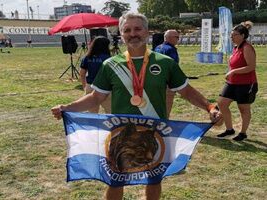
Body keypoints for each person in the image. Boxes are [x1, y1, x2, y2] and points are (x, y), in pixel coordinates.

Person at [51, 12, 222, 200]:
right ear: (122, 35)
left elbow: (187, 91)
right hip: (121, 133)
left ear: (147, 32)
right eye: (127, 30)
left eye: (137, 29)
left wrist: (209, 107)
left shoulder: (165, 63)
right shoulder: (111, 65)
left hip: (155, 133)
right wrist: (67, 107)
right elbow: (95, 97)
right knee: (116, 180)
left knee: (154, 180)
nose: (133, 33)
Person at [217, 22, 258, 141]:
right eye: (231, 35)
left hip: (246, 84)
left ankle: (243, 133)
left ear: (243, 35)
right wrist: (231, 72)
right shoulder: (236, 48)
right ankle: (229, 130)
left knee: (243, 108)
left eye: (234, 35)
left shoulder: (247, 47)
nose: (231, 37)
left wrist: (233, 72)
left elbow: (251, 66)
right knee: (222, 103)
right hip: (232, 83)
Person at [79, 36, 111, 113]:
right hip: (105, 88)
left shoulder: (87, 57)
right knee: (110, 112)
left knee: (92, 113)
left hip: (90, 86)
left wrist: (84, 86)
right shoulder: (108, 58)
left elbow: (82, 73)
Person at [154, 30, 180, 119]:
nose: (178, 39)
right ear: (169, 38)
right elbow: (173, 67)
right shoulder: (171, 49)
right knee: (167, 106)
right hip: (167, 81)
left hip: (155, 79)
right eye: (176, 37)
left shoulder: (157, 47)